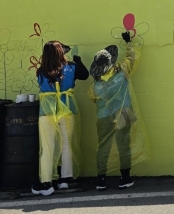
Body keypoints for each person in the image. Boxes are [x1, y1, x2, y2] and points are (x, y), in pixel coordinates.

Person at [88, 31, 150, 190]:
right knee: (124, 145)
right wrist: (129, 42)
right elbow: (133, 57)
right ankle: (125, 178)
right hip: (124, 113)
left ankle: (101, 180)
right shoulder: (122, 71)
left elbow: (92, 98)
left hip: (103, 117)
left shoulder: (96, 84)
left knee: (103, 147)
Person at [32, 41, 89, 196]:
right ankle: (66, 179)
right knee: (66, 144)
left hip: (47, 112)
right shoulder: (71, 67)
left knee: (48, 147)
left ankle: (46, 182)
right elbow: (85, 75)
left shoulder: (40, 71)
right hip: (67, 109)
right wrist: (77, 59)